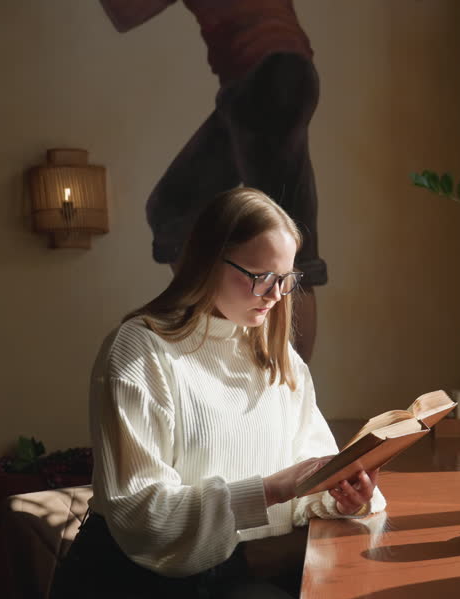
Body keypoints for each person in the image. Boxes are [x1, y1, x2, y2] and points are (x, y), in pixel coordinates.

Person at [42, 187, 385, 599]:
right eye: (258, 276)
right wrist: (273, 488)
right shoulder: (140, 350)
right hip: (125, 583)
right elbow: (141, 513)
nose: (273, 294)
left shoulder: (280, 362)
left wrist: (338, 494)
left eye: (286, 279)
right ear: (206, 259)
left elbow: (307, 477)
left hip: (219, 576)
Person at [97, 0, 326, 363]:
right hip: (266, 77)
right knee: (172, 210)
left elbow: (125, 12)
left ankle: (286, 386)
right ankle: (217, 335)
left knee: (290, 246)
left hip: (268, 75)